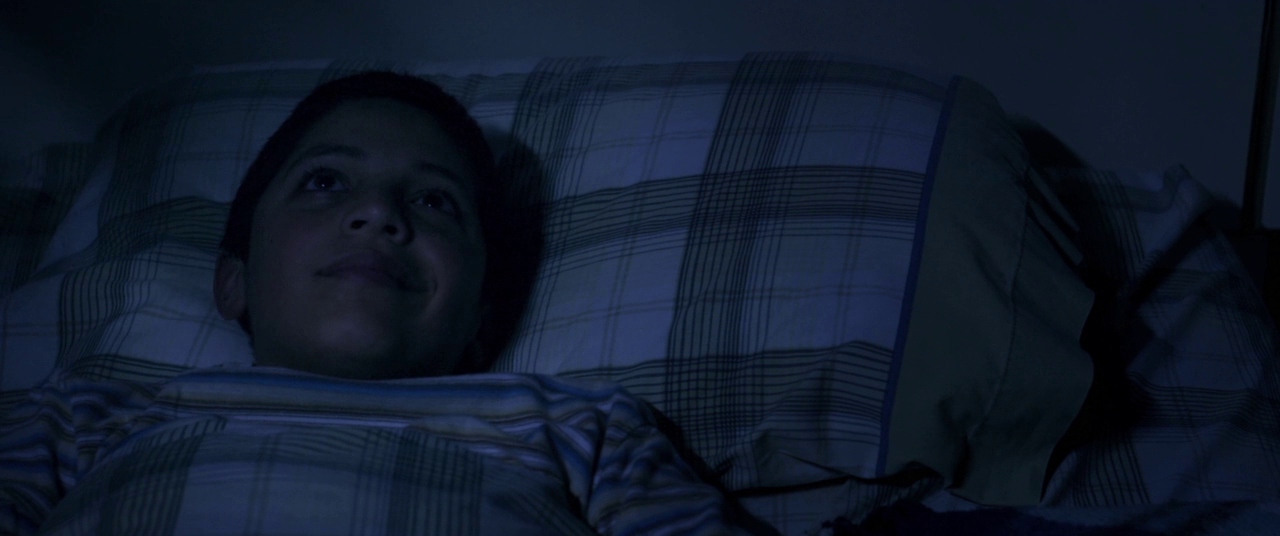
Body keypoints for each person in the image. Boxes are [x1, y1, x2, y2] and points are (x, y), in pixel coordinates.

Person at [0, 72, 749, 535]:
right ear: (233, 281)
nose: (378, 214)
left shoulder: (579, 426)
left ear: (482, 315)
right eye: (325, 182)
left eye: (434, 200)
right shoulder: (83, 418)